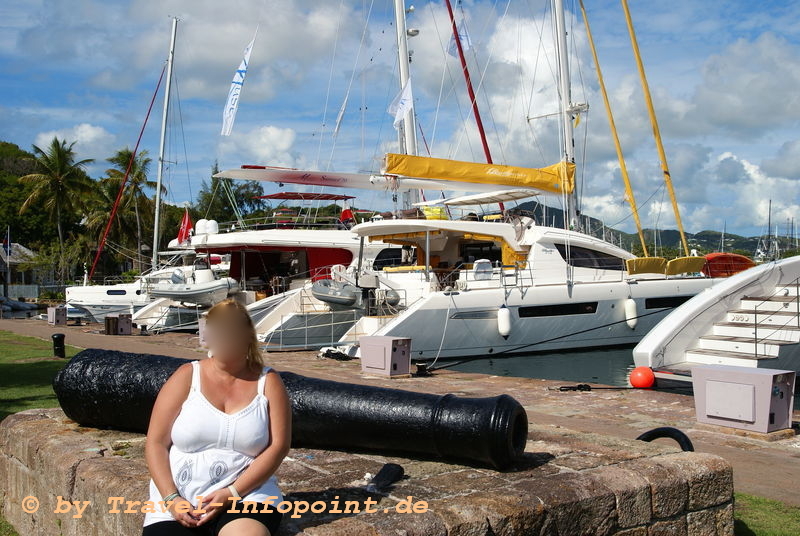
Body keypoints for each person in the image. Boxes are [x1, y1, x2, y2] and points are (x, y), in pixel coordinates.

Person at [141, 299, 292, 536]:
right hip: (180, 495)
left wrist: (231, 493)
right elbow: (156, 442)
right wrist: (171, 498)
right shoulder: (186, 376)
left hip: (247, 493)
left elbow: (278, 446)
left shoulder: (268, 382)